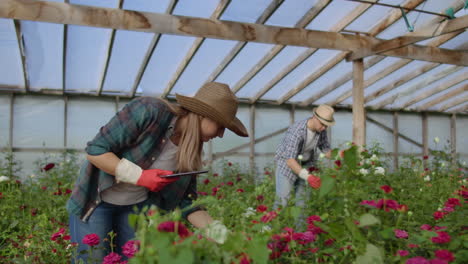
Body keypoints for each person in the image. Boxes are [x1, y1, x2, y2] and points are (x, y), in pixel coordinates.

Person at [66, 82, 248, 262]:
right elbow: (96, 150)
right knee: (92, 259)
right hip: (97, 202)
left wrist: (224, 236)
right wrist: (141, 177)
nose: (221, 134)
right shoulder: (150, 111)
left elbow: (187, 202)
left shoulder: (190, 152)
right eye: (221, 125)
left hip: (135, 209)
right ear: (203, 115)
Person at [274, 105, 335, 223]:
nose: (324, 128)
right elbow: (290, 160)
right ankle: (268, 231)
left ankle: (300, 235)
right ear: (314, 118)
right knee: (282, 200)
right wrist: (308, 177)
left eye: (326, 125)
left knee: (303, 203)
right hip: (287, 165)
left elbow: (326, 149)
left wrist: (340, 154)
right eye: (322, 124)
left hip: (306, 164)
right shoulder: (296, 131)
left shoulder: (321, 130)